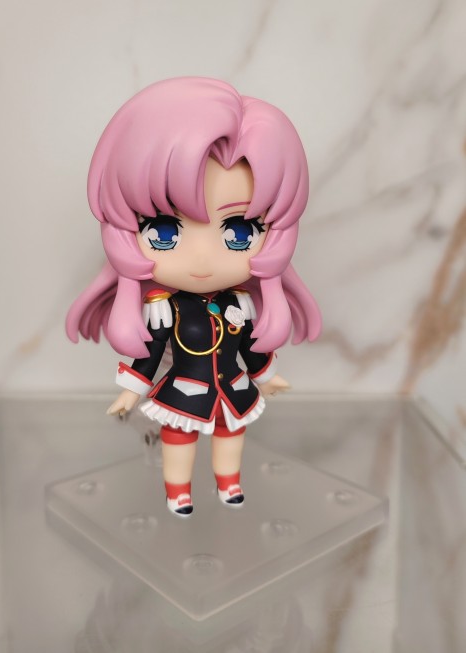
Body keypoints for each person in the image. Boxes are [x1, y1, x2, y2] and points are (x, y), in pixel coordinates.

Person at [66, 77, 321, 517]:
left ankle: (229, 483)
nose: (202, 258)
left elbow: (248, 346)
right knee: (179, 437)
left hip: (233, 388)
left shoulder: (240, 304)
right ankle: (178, 491)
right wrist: (132, 390)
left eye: (240, 231)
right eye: (164, 231)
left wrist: (266, 375)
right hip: (186, 389)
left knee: (231, 433)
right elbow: (151, 352)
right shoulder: (163, 309)